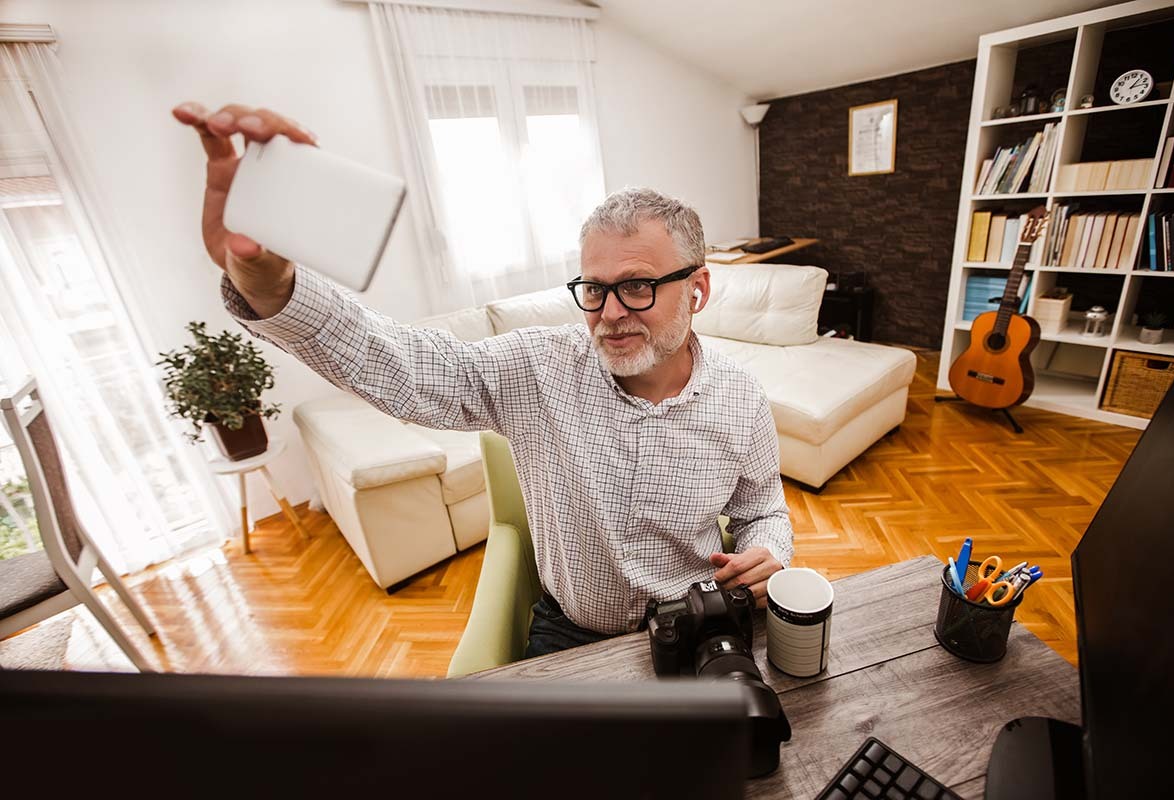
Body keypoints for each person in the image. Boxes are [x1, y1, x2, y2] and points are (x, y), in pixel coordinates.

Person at [172, 101, 794, 657]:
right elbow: (404, 366)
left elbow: (762, 507)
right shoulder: (538, 368)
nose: (608, 313)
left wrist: (771, 554)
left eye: (636, 286)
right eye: (595, 289)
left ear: (699, 289)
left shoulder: (741, 400)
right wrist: (271, 282)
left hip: (704, 625)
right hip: (571, 634)